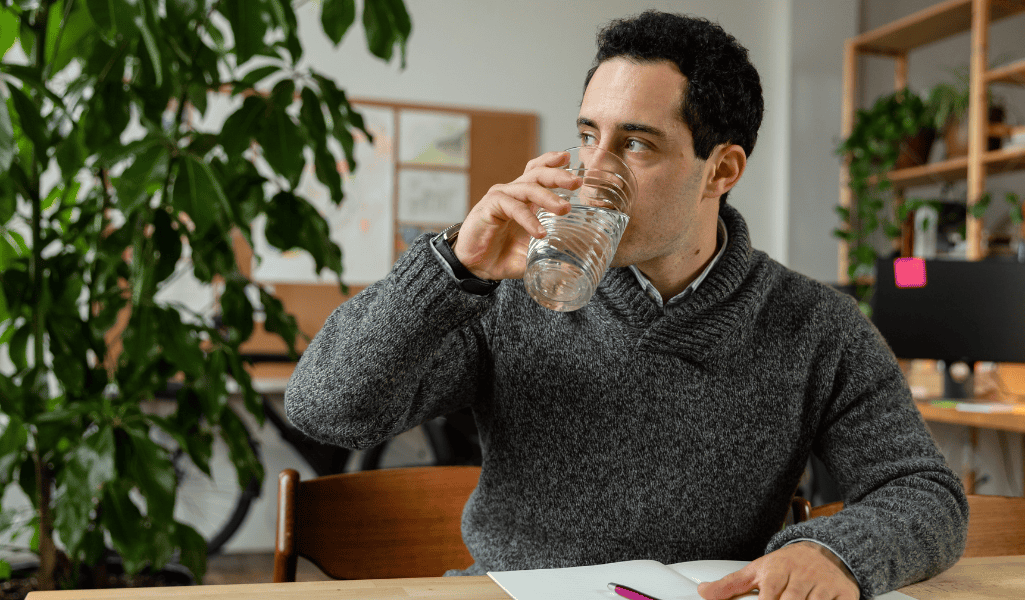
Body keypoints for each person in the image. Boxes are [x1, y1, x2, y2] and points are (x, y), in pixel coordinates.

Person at [285, 10, 967, 600]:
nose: (593, 172)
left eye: (635, 143)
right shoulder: (505, 296)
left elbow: (925, 492)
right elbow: (324, 410)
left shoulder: (815, 326)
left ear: (722, 171)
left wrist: (834, 549)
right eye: (588, 136)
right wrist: (451, 268)